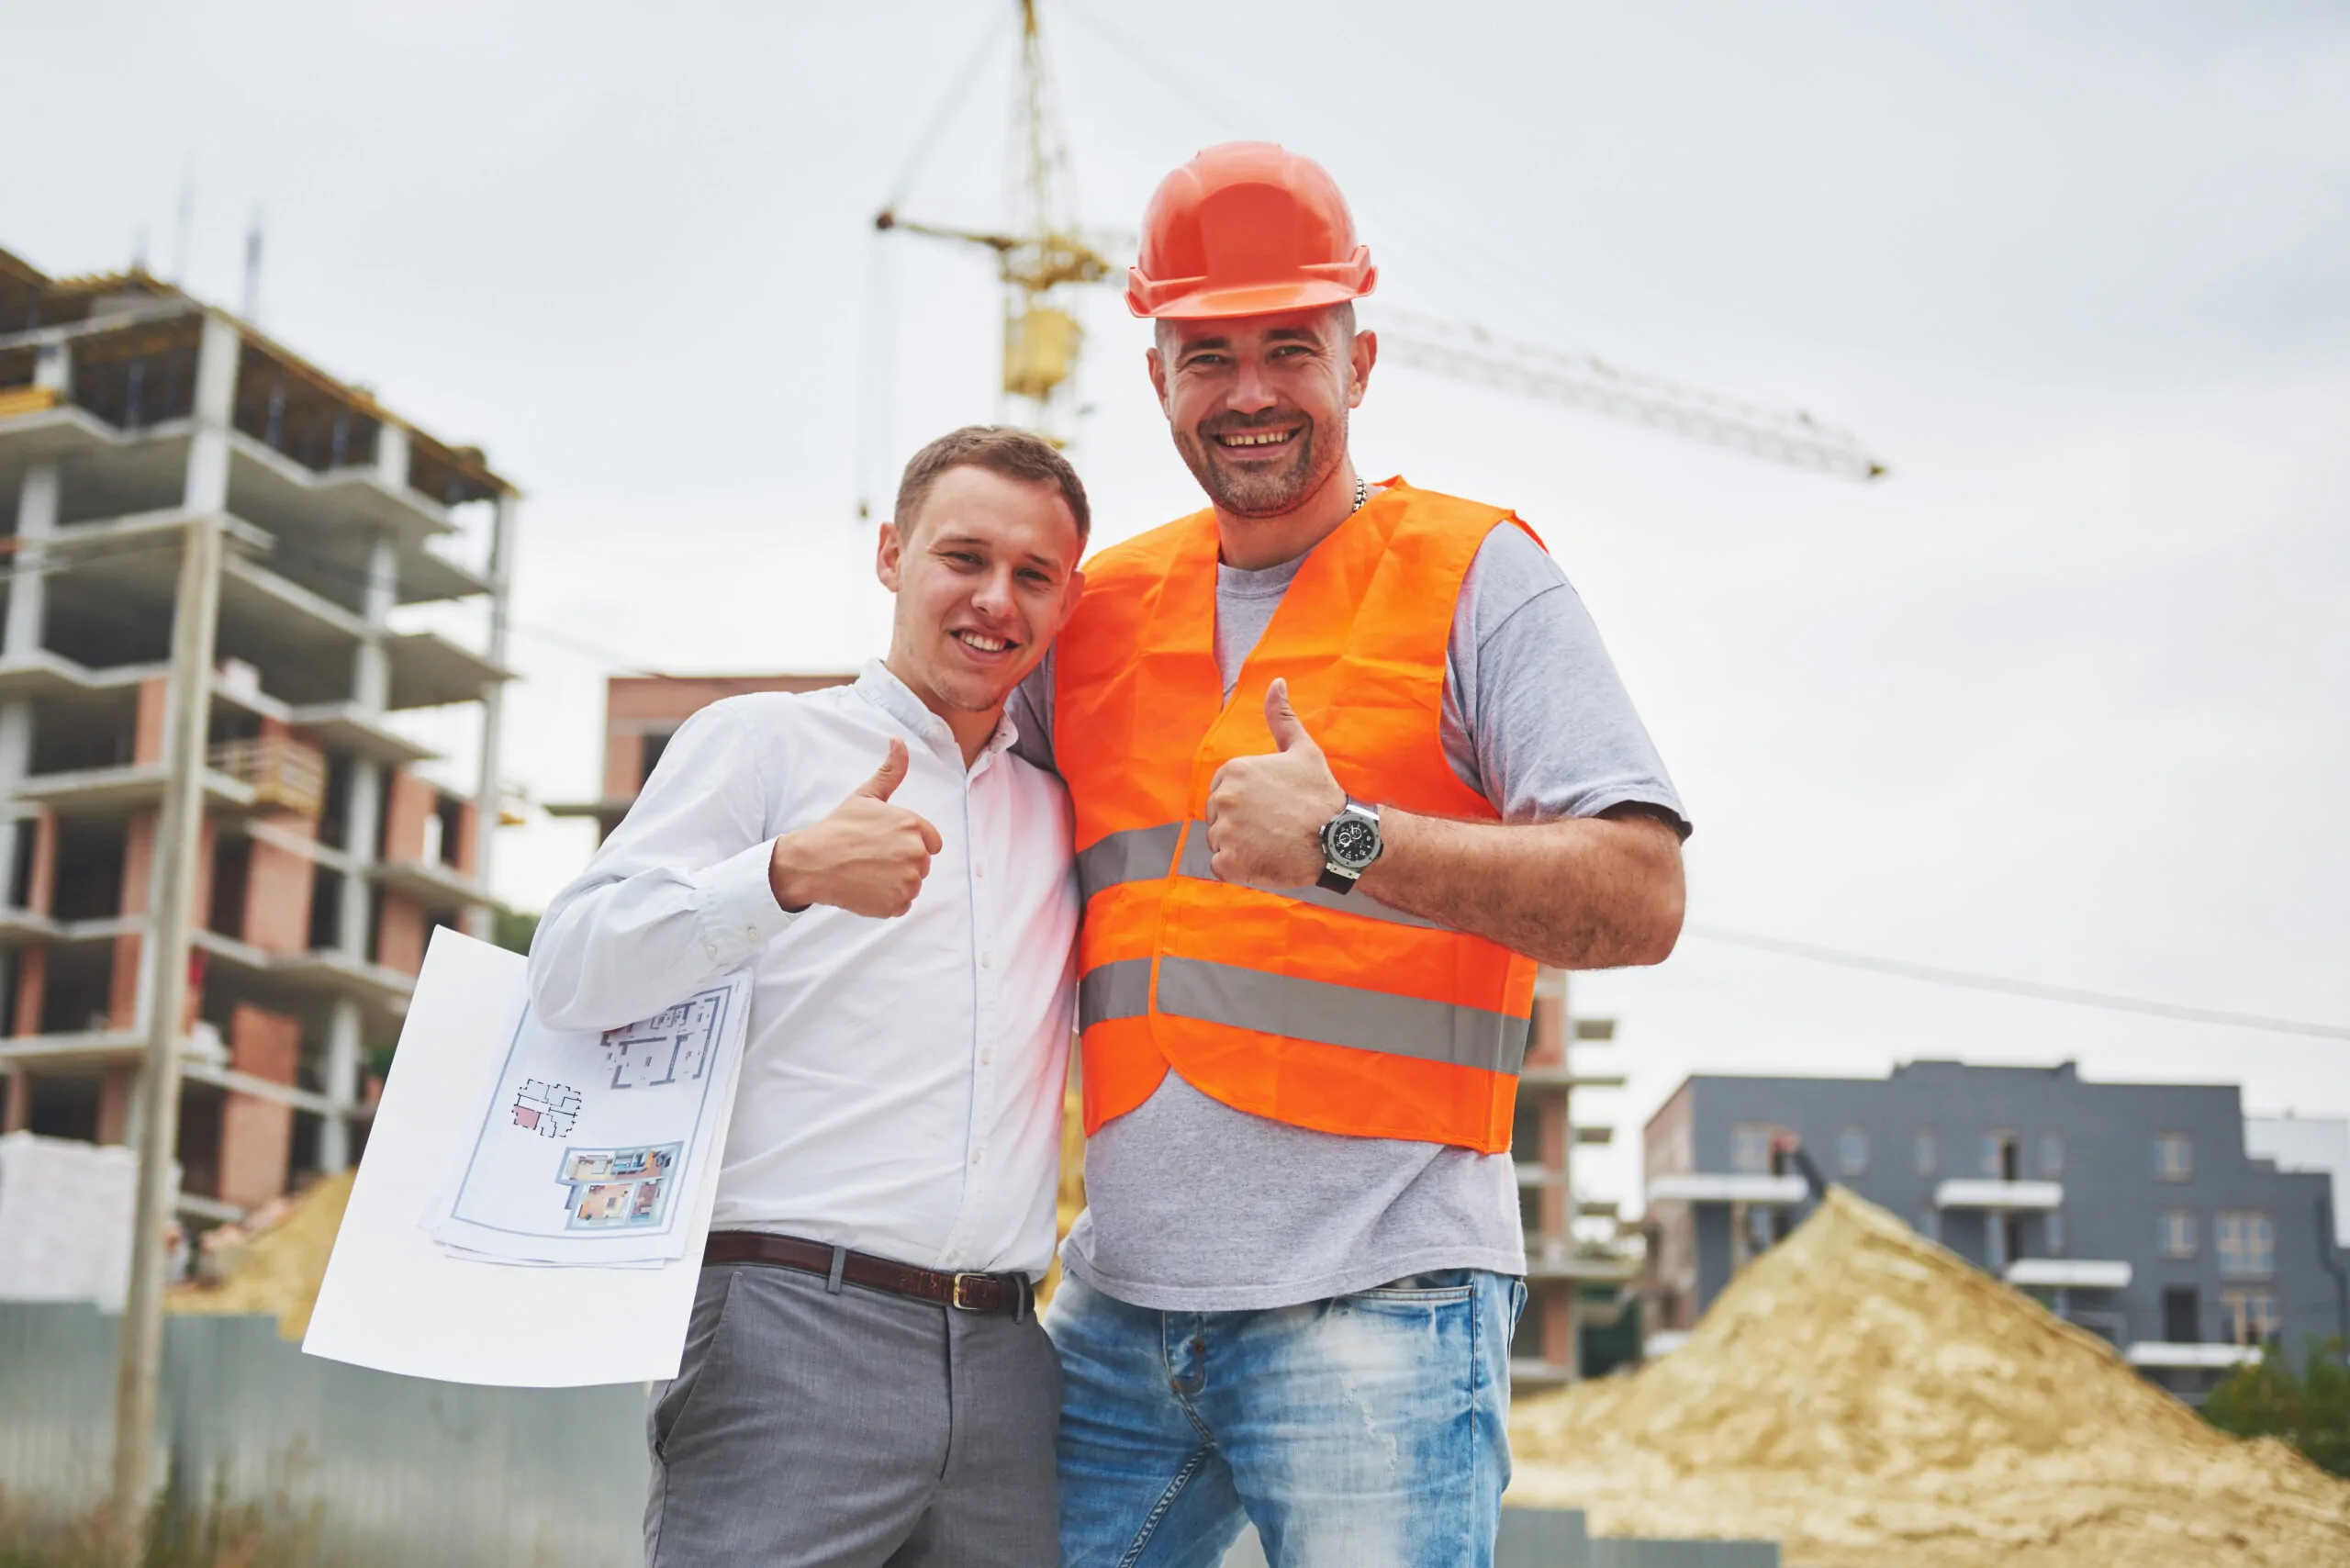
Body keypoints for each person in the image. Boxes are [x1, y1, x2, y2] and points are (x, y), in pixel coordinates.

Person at [1011, 143, 1691, 1568]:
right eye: (1208, 355)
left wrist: (1346, 843)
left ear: (1359, 361)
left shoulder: (1477, 577)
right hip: (1118, 1315)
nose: (1249, 392)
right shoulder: (1095, 610)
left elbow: (1640, 894)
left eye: (1289, 348)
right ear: (1157, 377)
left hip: (1383, 1305)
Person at [529, 426, 1091, 1568]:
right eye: (963, 557)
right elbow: (570, 965)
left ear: (1066, 601)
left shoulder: (1059, 812)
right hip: (786, 1329)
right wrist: (782, 875)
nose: (995, 599)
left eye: (1033, 575)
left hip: (1006, 1360)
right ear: (890, 555)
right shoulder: (764, 742)